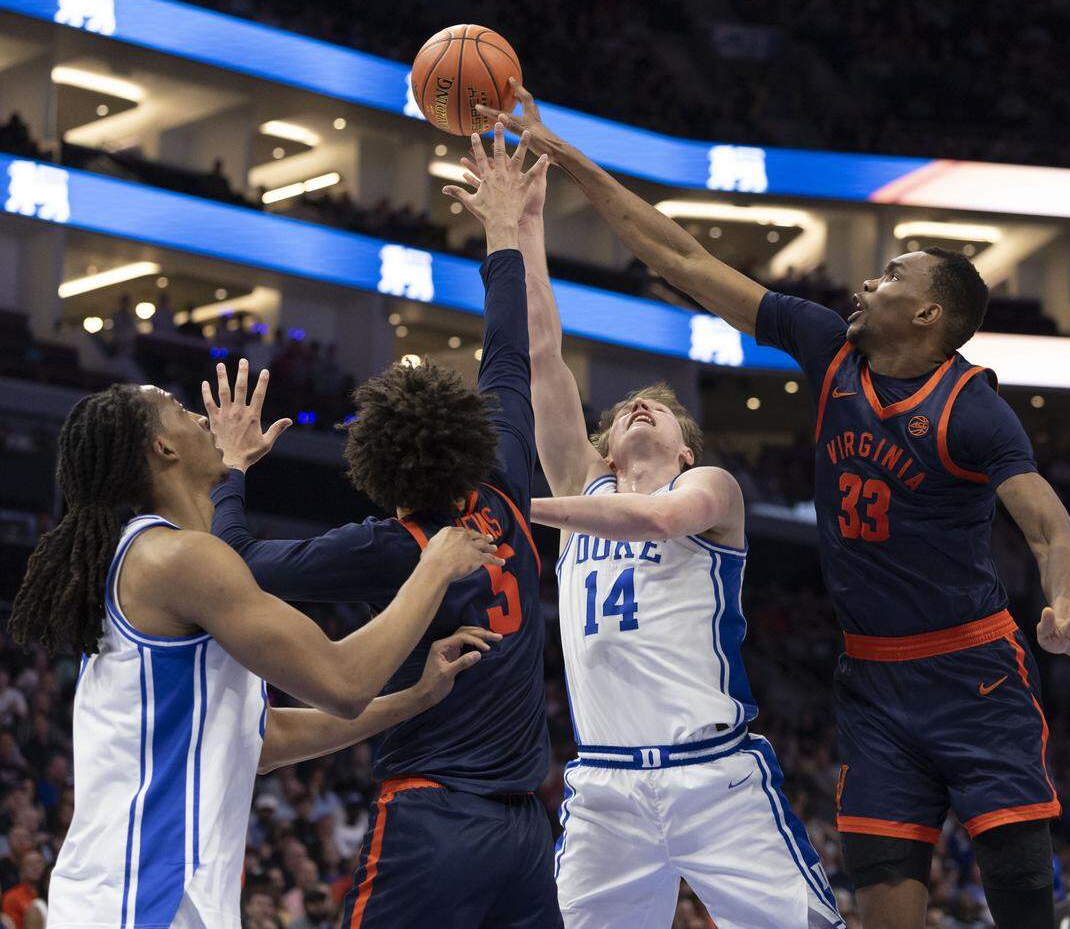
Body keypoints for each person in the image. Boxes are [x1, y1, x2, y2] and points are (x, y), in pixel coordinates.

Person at [484, 84, 1070, 929]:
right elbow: (679, 257)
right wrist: (566, 163)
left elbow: (1050, 525)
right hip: (867, 679)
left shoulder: (970, 407)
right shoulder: (828, 348)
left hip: (970, 669)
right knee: (885, 899)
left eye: (892, 275)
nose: (867, 279)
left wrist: (1066, 607)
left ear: (928, 313)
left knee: (1019, 896)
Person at [458, 137, 842, 927]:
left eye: (658, 408)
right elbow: (538, 352)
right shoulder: (583, 485)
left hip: (716, 777)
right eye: (627, 407)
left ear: (684, 445)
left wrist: (516, 506)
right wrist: (525, 226)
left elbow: (662, 519)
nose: (639, 406)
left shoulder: (709, 488)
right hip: (603, 788)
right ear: (603, 445)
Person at [206, 125, 560, 928]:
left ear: (378, 470)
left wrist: (233, 468)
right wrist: (503, 229)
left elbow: (235, 564)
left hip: (435, 818)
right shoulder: (503, 477)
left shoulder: (390, 545)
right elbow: (508, 350)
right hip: (526, 830)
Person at [9, 381, 500, 928]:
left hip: (142, 895)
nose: (202, 419)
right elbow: (343, 682)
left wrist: (413, 699)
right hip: (141, 897)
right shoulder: (177, 558)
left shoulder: (161, 557)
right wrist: (432, 566)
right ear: (163, 449)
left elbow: (259, 739)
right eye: (180, 410)